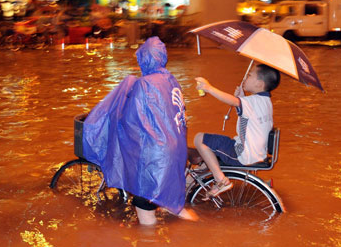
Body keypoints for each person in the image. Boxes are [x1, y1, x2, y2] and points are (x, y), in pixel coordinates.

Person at [82, 36, 198, 225]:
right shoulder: (172, 80)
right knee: (170, 200)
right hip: (176, 149)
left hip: (155, 155)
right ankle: (197, 228)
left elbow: (130, 119)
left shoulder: (144, 84)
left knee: (143, 201)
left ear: (144, 59)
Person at [194, 63, 280, 199]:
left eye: (250, 75)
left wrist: (208, 88)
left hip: (244, 154)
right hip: (257, 153)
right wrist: (243, 97)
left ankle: (221, 180)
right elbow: (249, 113)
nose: (246, 77)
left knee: (199, 139)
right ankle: (204, 177)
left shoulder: (252, 102)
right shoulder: (265, 101)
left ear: (259, 84)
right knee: (213, 145)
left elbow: (233, 101)